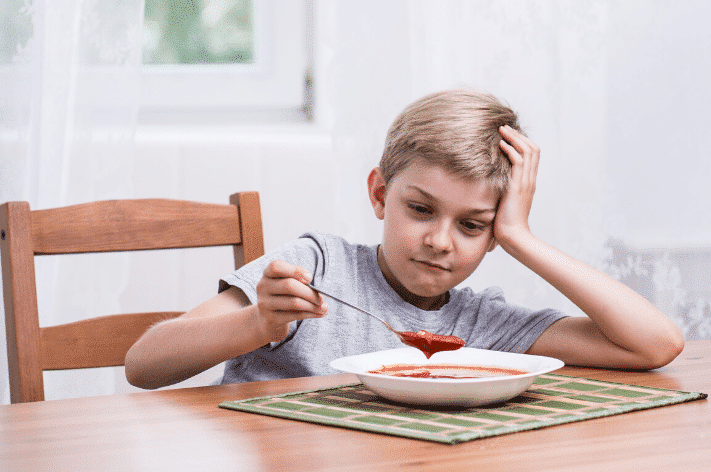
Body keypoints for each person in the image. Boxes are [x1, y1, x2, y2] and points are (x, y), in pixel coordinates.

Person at [125, 89, 684, 390]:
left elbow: (654, 345)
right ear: (379, 195)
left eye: (472, 224)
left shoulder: (483, 326)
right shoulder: (313, 269)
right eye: (420, 210)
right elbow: (144, 366)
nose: (441, 241)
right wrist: (255, 324)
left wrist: (520, 236)